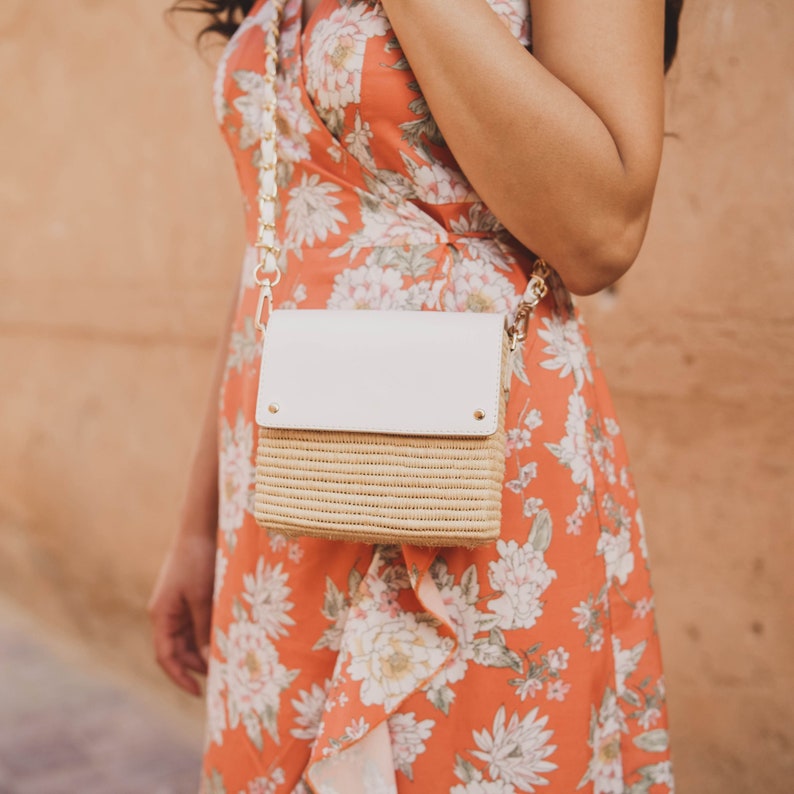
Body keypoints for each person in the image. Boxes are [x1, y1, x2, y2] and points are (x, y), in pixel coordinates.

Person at [149, 0, 683, 791]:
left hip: (474, 485)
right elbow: (283, 238)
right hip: (291, 495)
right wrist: (200, 524)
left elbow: (600, 231)